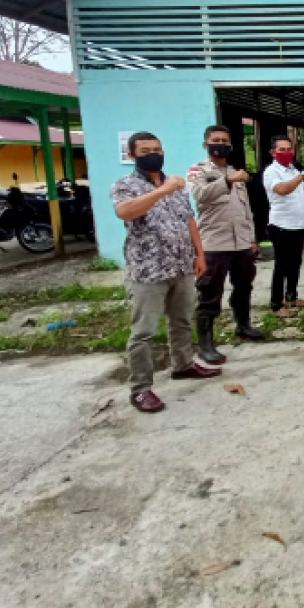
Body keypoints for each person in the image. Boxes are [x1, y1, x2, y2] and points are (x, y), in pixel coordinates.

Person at [111, 132, 220, 414]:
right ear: (133, 155)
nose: (154, 153)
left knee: (182, 320)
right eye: (146, 150)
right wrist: (162, 190)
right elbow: (125, 212)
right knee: (144, 332)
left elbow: (188, 219)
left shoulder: (176, 184)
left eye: (157, 149)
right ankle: (141, 389)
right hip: (148, 270)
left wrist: (200, 253)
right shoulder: (126, 185)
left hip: (181, 265)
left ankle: (183, 365)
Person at [187, 126, 266, 366]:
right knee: (210, 292)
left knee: (243, 287)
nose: (220, 144)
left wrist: (252, 239)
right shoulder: (198, 171)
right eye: (215, 140)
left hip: (240, 242)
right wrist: (226, 180)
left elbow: (245, 210)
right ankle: (205, 344)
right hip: (214, 242)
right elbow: (200, 195)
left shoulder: (235, 171)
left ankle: (243, 326)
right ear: (206, 145)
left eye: (224, 140)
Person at [263, 135, 304, 317]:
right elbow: (283, 190)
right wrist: (303, 175)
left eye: (289, 149)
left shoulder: (293, 170)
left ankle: (291, 297)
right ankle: (277, 304)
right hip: (281, 226)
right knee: (281, 266)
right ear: (273, 152)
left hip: (298, 225)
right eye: (281, 150)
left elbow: (301, 199)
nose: (286, 153)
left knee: (295, 264)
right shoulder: (271, 172)